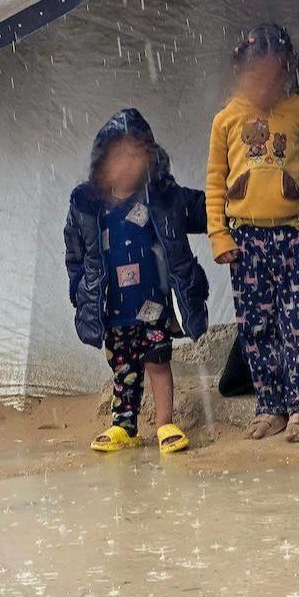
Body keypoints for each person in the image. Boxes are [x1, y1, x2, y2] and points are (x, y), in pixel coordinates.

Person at [206, 23, 299, 442]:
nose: (265, 87)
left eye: (274, 77)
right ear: (240, 72)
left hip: (293, 237)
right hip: (245, 243)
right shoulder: (226, 121)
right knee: (256, 326)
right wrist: (219, 235)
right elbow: (215, 183)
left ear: (287, 71)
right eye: (256, 78)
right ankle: (271, 404)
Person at [64, 108, 210, 454]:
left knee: (157, 361)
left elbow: (205, 209)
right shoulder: (88, 208)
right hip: (114, 308)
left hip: (153, 304)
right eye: (119, 156)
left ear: (150, 159)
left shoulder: (162, 198)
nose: (128, 164)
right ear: (102, 162)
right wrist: (79, 290)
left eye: (136, 155)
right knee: (123, 367)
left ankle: (164, 423)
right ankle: (124, 426)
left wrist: (233, 203)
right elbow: (75, 254)